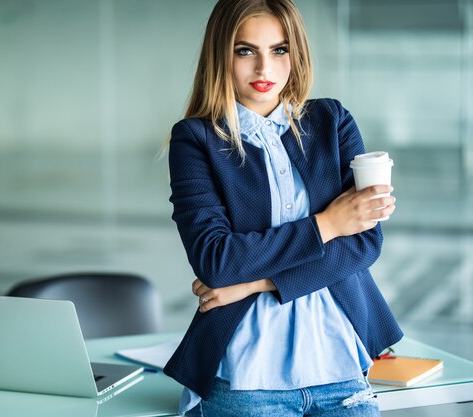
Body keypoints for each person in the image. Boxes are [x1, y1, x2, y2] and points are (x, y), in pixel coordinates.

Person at [163, 0, 403, 416]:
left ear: (297, 53)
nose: (264, 69)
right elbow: (217, 261)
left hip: (342, 369)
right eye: (245, 51)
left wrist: (256, 283)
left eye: (279, 49)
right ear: (221, 54)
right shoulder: (196, 139)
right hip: (247, 379)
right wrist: (328, 224)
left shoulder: (333, 121)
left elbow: (364, 245)